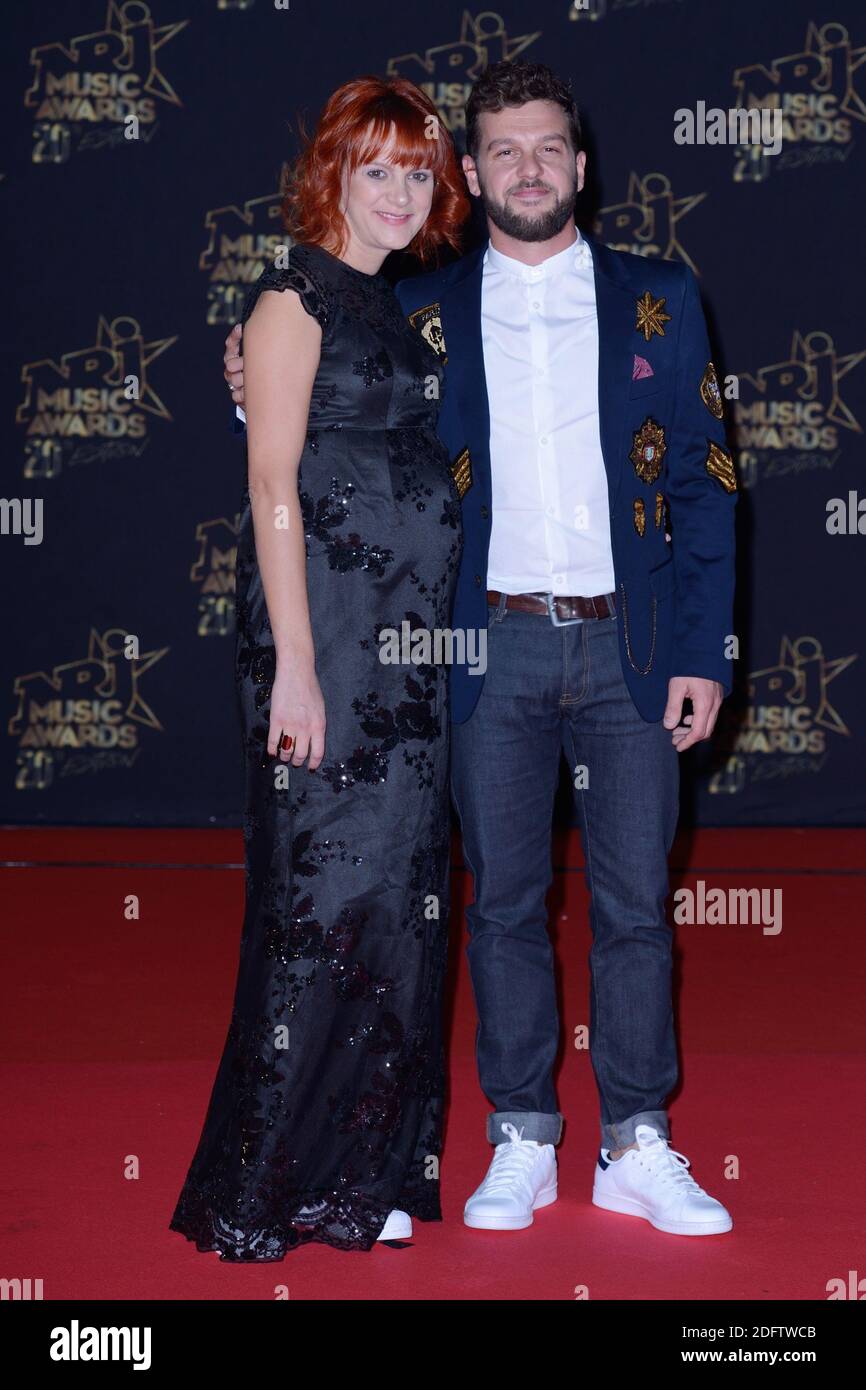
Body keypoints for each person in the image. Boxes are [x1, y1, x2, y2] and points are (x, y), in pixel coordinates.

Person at [225, 61, 738, 1239]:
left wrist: (705, 652)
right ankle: (518, 1136)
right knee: (499, 903)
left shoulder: (661, 296)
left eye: (546, 147)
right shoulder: (420, 314)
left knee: (634, 908)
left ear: (580, 163)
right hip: (480, 647)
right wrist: (244, 381)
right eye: (500, 150)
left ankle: (635, 1140)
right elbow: (316, 398)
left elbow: (710, 486)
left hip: (630, 648)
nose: (525, 168)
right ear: (473, 172)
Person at [170, 75, 469, 1259]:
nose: (398, 192)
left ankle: (362, 1172)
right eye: (375, 169)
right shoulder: (291, 295)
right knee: (318, 902)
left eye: (416, 171)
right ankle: (268, 1185)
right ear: (332, 174)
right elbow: (270, 485)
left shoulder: (397, 305)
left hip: (408, 656)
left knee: (397, 904)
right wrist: (295, 664)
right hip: (327, 640)